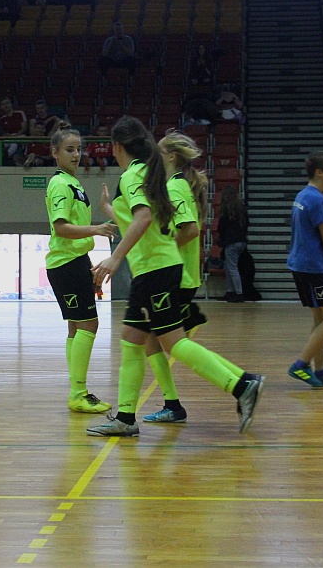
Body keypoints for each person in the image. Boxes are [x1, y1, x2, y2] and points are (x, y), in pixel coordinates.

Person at [87, 116, 264, 437]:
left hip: (155, 270)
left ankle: (241, 385)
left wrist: (114, 257)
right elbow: (145, 219)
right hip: (156, 269)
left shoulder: (132, 177)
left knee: (174, 343)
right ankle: (126, 417)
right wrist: (112, 211)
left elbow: (142, 216)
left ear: (115, 147)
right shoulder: (149, 174)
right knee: (132, 340)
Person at [134, 131, 210, 425]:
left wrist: (161, 250)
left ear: (171, 157)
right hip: (182, 278)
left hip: (177, 278)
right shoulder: (179, 186)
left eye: (158, 154)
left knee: (168, 343)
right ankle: (172, 404)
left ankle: (239, 383)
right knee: (151, 341)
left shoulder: (175, 188)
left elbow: (190, 230)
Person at [44, 124, 119, 413]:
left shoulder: (72, 182)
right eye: (69, 149)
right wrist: (97, 228)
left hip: (74, 263)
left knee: (76, 327)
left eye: (78, 149)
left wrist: (87, 267)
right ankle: (78, 392)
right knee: (89, 324)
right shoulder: (60, 184)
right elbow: (61, 228)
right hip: (64, 265)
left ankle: (78, 390)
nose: (76, 154)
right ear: (55, 153)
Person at [286, 151, 323, 389]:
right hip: (313, 267)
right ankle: (301, 365)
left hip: (300, 265)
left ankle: (320, 370)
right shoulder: (316, 200)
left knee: (320, 318)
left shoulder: (303, 195)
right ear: (319, 172)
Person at [217, 185, 248, 303]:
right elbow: (246, 224)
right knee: (229, 267)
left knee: (232, 268)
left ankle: (238, 293)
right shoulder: (241, 208)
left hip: (231, 242)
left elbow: (222, 227)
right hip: (241, 241)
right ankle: (230, 291)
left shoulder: (227, 209)